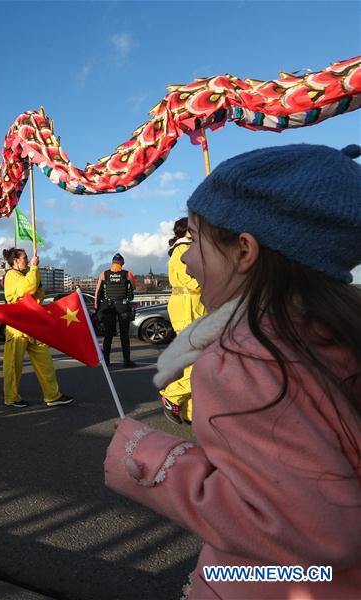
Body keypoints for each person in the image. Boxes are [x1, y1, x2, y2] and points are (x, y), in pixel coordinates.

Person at [104, 143, 361, 598]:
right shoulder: (336, 330)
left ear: (244, 251)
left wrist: (147, 458)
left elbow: (315, 529)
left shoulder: (244, 360)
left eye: (195, 240)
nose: (185, 260)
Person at [1, 248, 72, 408]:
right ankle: (11, 397)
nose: (28, 260)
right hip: (18, 327)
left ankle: (52, 395)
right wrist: (34, 268)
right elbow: (28, 288)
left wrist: (38, 283)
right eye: (25, 258)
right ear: (16, 261)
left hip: (32, 325)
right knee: (13, 365)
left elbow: (36, 295)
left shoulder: (23, 276)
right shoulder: (11, 275)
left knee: (45, 362)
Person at [160, 218, 205, 424]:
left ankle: (190, 412)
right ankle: (172, 396)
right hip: (189, 308)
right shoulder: (183, 249)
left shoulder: (184, 249)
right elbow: (193, 282)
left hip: (191, 307)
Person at [94, 253, 138, 368]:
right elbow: (134, 287)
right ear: (122, 263)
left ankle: (106, 361)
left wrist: (97, 309)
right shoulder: (128, 274)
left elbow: (97, 292)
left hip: (108, 306)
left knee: (108, 334)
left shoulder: (103, 274)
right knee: (124, 335)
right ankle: (126, 361)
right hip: (122, 306)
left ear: (112, 263)